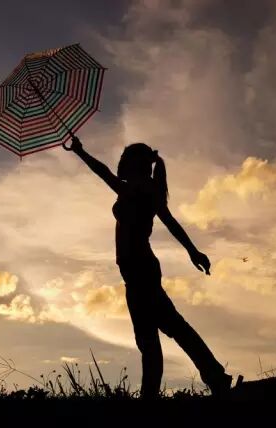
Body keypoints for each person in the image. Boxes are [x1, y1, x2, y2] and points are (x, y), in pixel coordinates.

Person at [66, 135, 232, 398]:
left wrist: (80, 152)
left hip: (140, 269)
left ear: (134, 163)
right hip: (138, 270)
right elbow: (170, 222)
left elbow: (105, 174)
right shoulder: (145, 188)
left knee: (155, 335)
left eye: (124, 158)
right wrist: (192, 251)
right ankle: (209, 378)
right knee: (165, 331)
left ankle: (187, 385)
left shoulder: (139, 189)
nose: (120, 162)